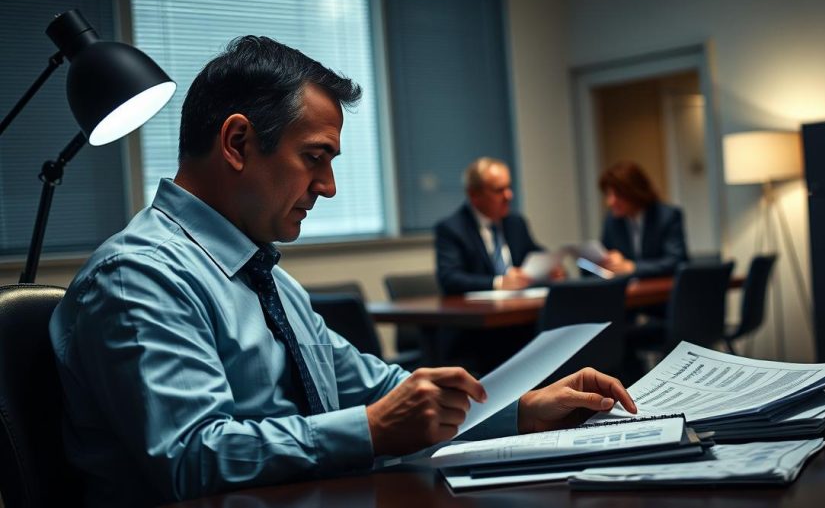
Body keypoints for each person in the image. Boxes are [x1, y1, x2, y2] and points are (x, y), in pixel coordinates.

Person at [49, 36, 636, 507]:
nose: (327, 188)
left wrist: (520, 411)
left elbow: (381, 391)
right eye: (315, 159)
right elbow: (193, 458)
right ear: (236, 142)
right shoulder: (139, 278)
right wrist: (373, 430)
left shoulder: (268, 279)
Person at [434, 157, 562, 295]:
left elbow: (534, 255)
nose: (508, 195)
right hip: (481, 312)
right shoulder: (452, 228)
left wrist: (550, 269)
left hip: (521, 304)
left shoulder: (515, 223)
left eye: (509, 187)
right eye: (499, 190)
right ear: (474, 194)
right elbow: (450, 279)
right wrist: (499, 282)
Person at [597, 160, 689, 278]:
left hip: (661, 291)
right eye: (608, 195)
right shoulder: (611, 221)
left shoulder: (667, 216)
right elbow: (601, 263)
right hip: (626, 292)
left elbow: (676, 261)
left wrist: (633, 267)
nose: (610, 202)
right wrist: (608, 261)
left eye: (618, 194)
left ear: (635, 192)